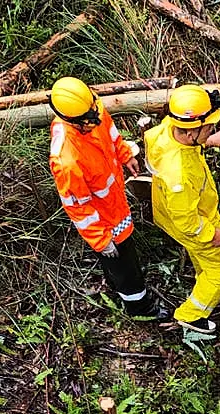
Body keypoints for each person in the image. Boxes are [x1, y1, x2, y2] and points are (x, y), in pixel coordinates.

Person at [48, 76, 168, 320]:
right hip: (103, 219)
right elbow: (77, 207)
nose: (95, 121)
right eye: (88, 122)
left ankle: (117, 285)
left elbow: (112, 136)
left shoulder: (93, 111)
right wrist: (101, 240)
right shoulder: (66, 160)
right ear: (72, 120)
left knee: (120, 259)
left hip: (115, 202)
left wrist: (125, 155)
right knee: (124, 263)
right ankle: (139, 307)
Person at [144, 84, 220, 334]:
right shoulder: (179, 175)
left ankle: (204, 274)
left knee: (205, 257)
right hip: (191, 223)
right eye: (208, 128)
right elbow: (187, 221)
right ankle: (192, 315)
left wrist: (207, 141)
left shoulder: (166, 129)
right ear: (189, 134)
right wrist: (211, 233)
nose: (212, 130)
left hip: (168, 212)